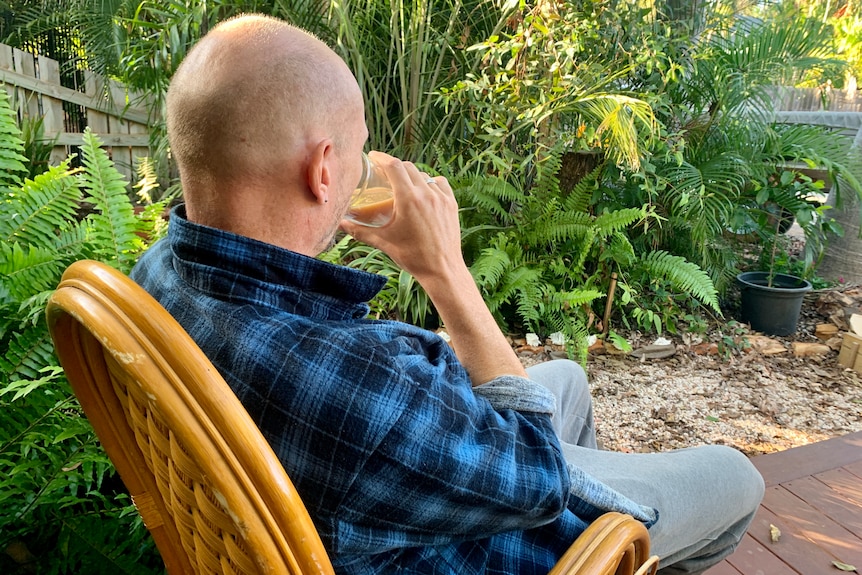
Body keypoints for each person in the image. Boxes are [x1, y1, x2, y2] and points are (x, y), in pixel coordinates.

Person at [131, 14, 764, 575]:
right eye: (356, 154)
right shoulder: (368, 382)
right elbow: (537, 472)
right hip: (479, 538)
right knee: (737, 476)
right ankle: (599, 547)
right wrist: (447, 274)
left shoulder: (155, 277)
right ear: (323, 172)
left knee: (566, 374)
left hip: (357, 502)